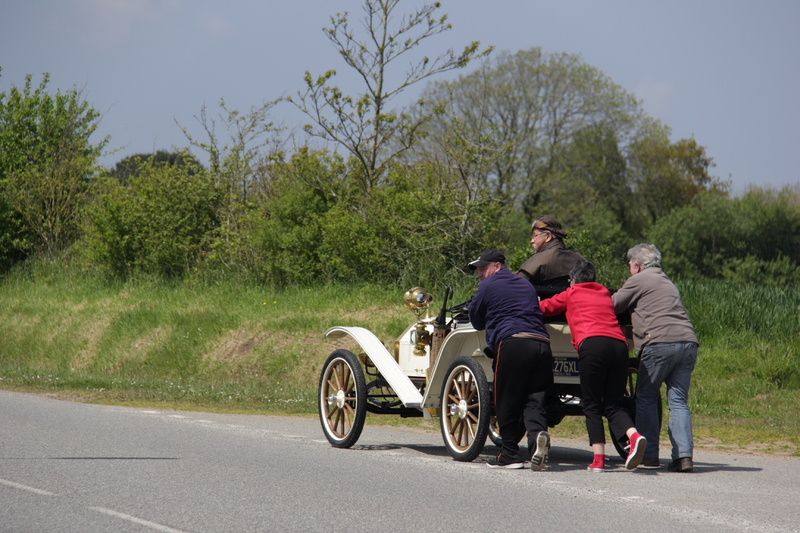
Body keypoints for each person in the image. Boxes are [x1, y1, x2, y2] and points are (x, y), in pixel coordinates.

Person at [538, 260, 647, 472]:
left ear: (573, 281)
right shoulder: (605, 294)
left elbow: (546, 308)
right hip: (619, 346)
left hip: (593, 344)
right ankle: (634, 435)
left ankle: (598, 460)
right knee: (614, 404)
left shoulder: (571, 293)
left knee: (591, 403)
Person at [612, 244, 699, 473]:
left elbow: (613, 304)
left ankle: (649, 454)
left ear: (637, 265)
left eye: (630, 265)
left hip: (659, 343)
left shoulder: (639, 280)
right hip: (688, 342)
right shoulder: (667, 281)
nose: (629, 269)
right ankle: (683, 457)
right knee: (678, 401)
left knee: (647, 397)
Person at [467, 249, 553, 470]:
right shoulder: (526, 285)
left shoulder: (488, 285)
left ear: (496, 266)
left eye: (482, 269)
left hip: (513, 342)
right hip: (542, 344)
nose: (479, 274)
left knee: (506, 398)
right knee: (535, 399)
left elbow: (476, 321)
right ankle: (536, 441)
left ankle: (510, 454)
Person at [517, 215, 586, 288]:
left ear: (548, 236)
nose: (532, 241)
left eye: (535, 235)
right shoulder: (581, 261)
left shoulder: (536, 262)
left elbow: (517, 288)